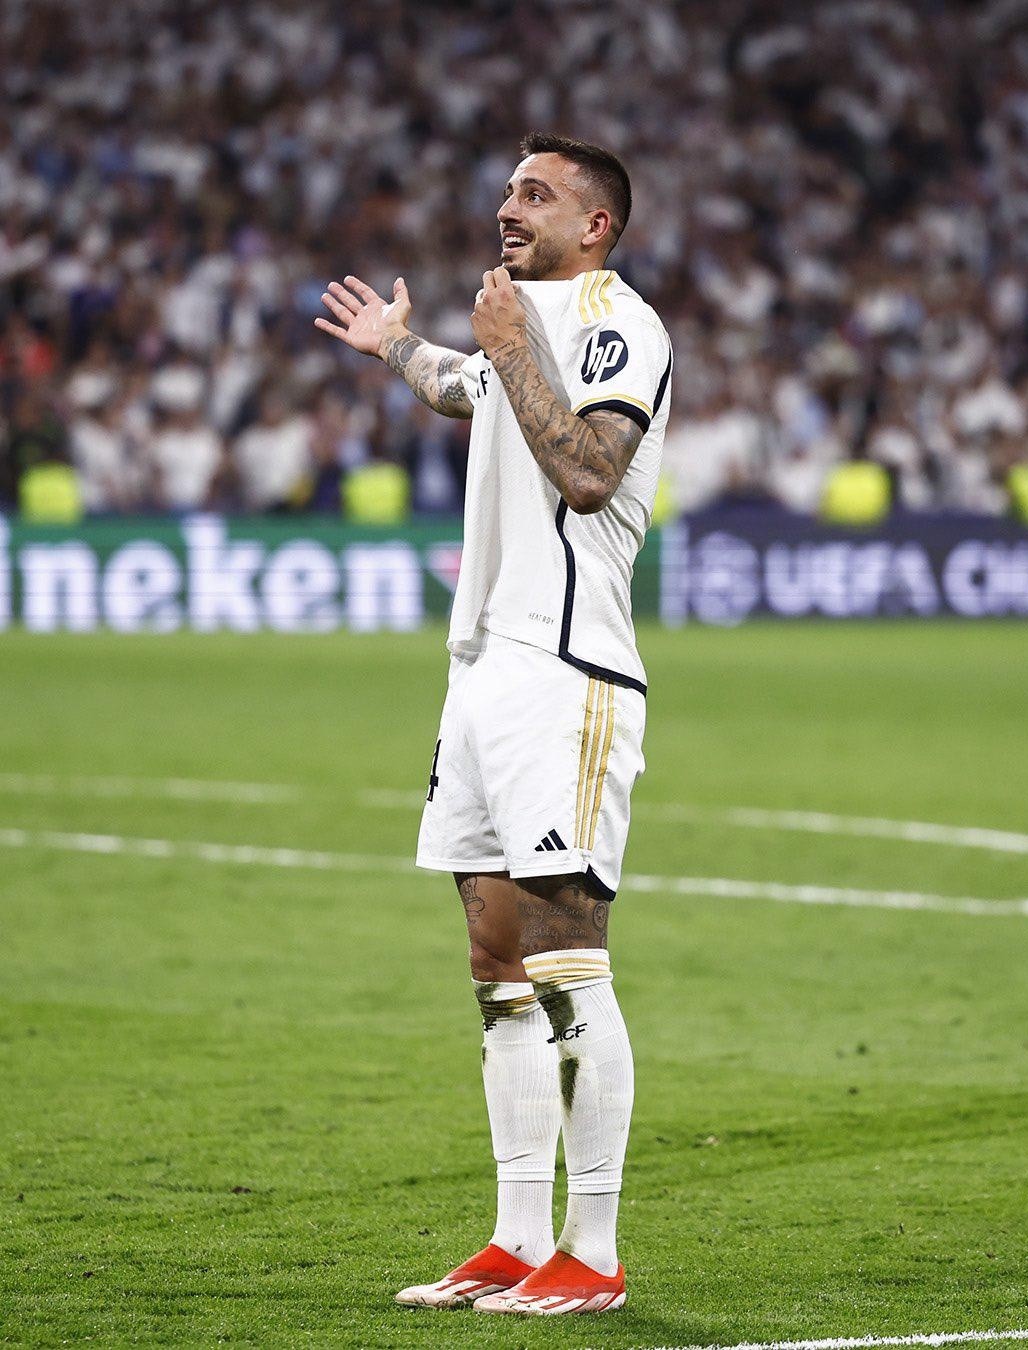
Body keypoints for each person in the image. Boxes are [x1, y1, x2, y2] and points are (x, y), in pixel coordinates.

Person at [316, 132, 672, 1317]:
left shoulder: (624, 327)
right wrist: (403, 348)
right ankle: (520, 1239)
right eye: (509, 190)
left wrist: (512, 342)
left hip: (565, 674)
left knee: (572, 960)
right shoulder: (504, 330)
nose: (508, 208)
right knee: (496, 965)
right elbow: (458, 389)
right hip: (476, 673)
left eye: (537, 195)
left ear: (596, 227)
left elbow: (587, 473)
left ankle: (596, 1251)